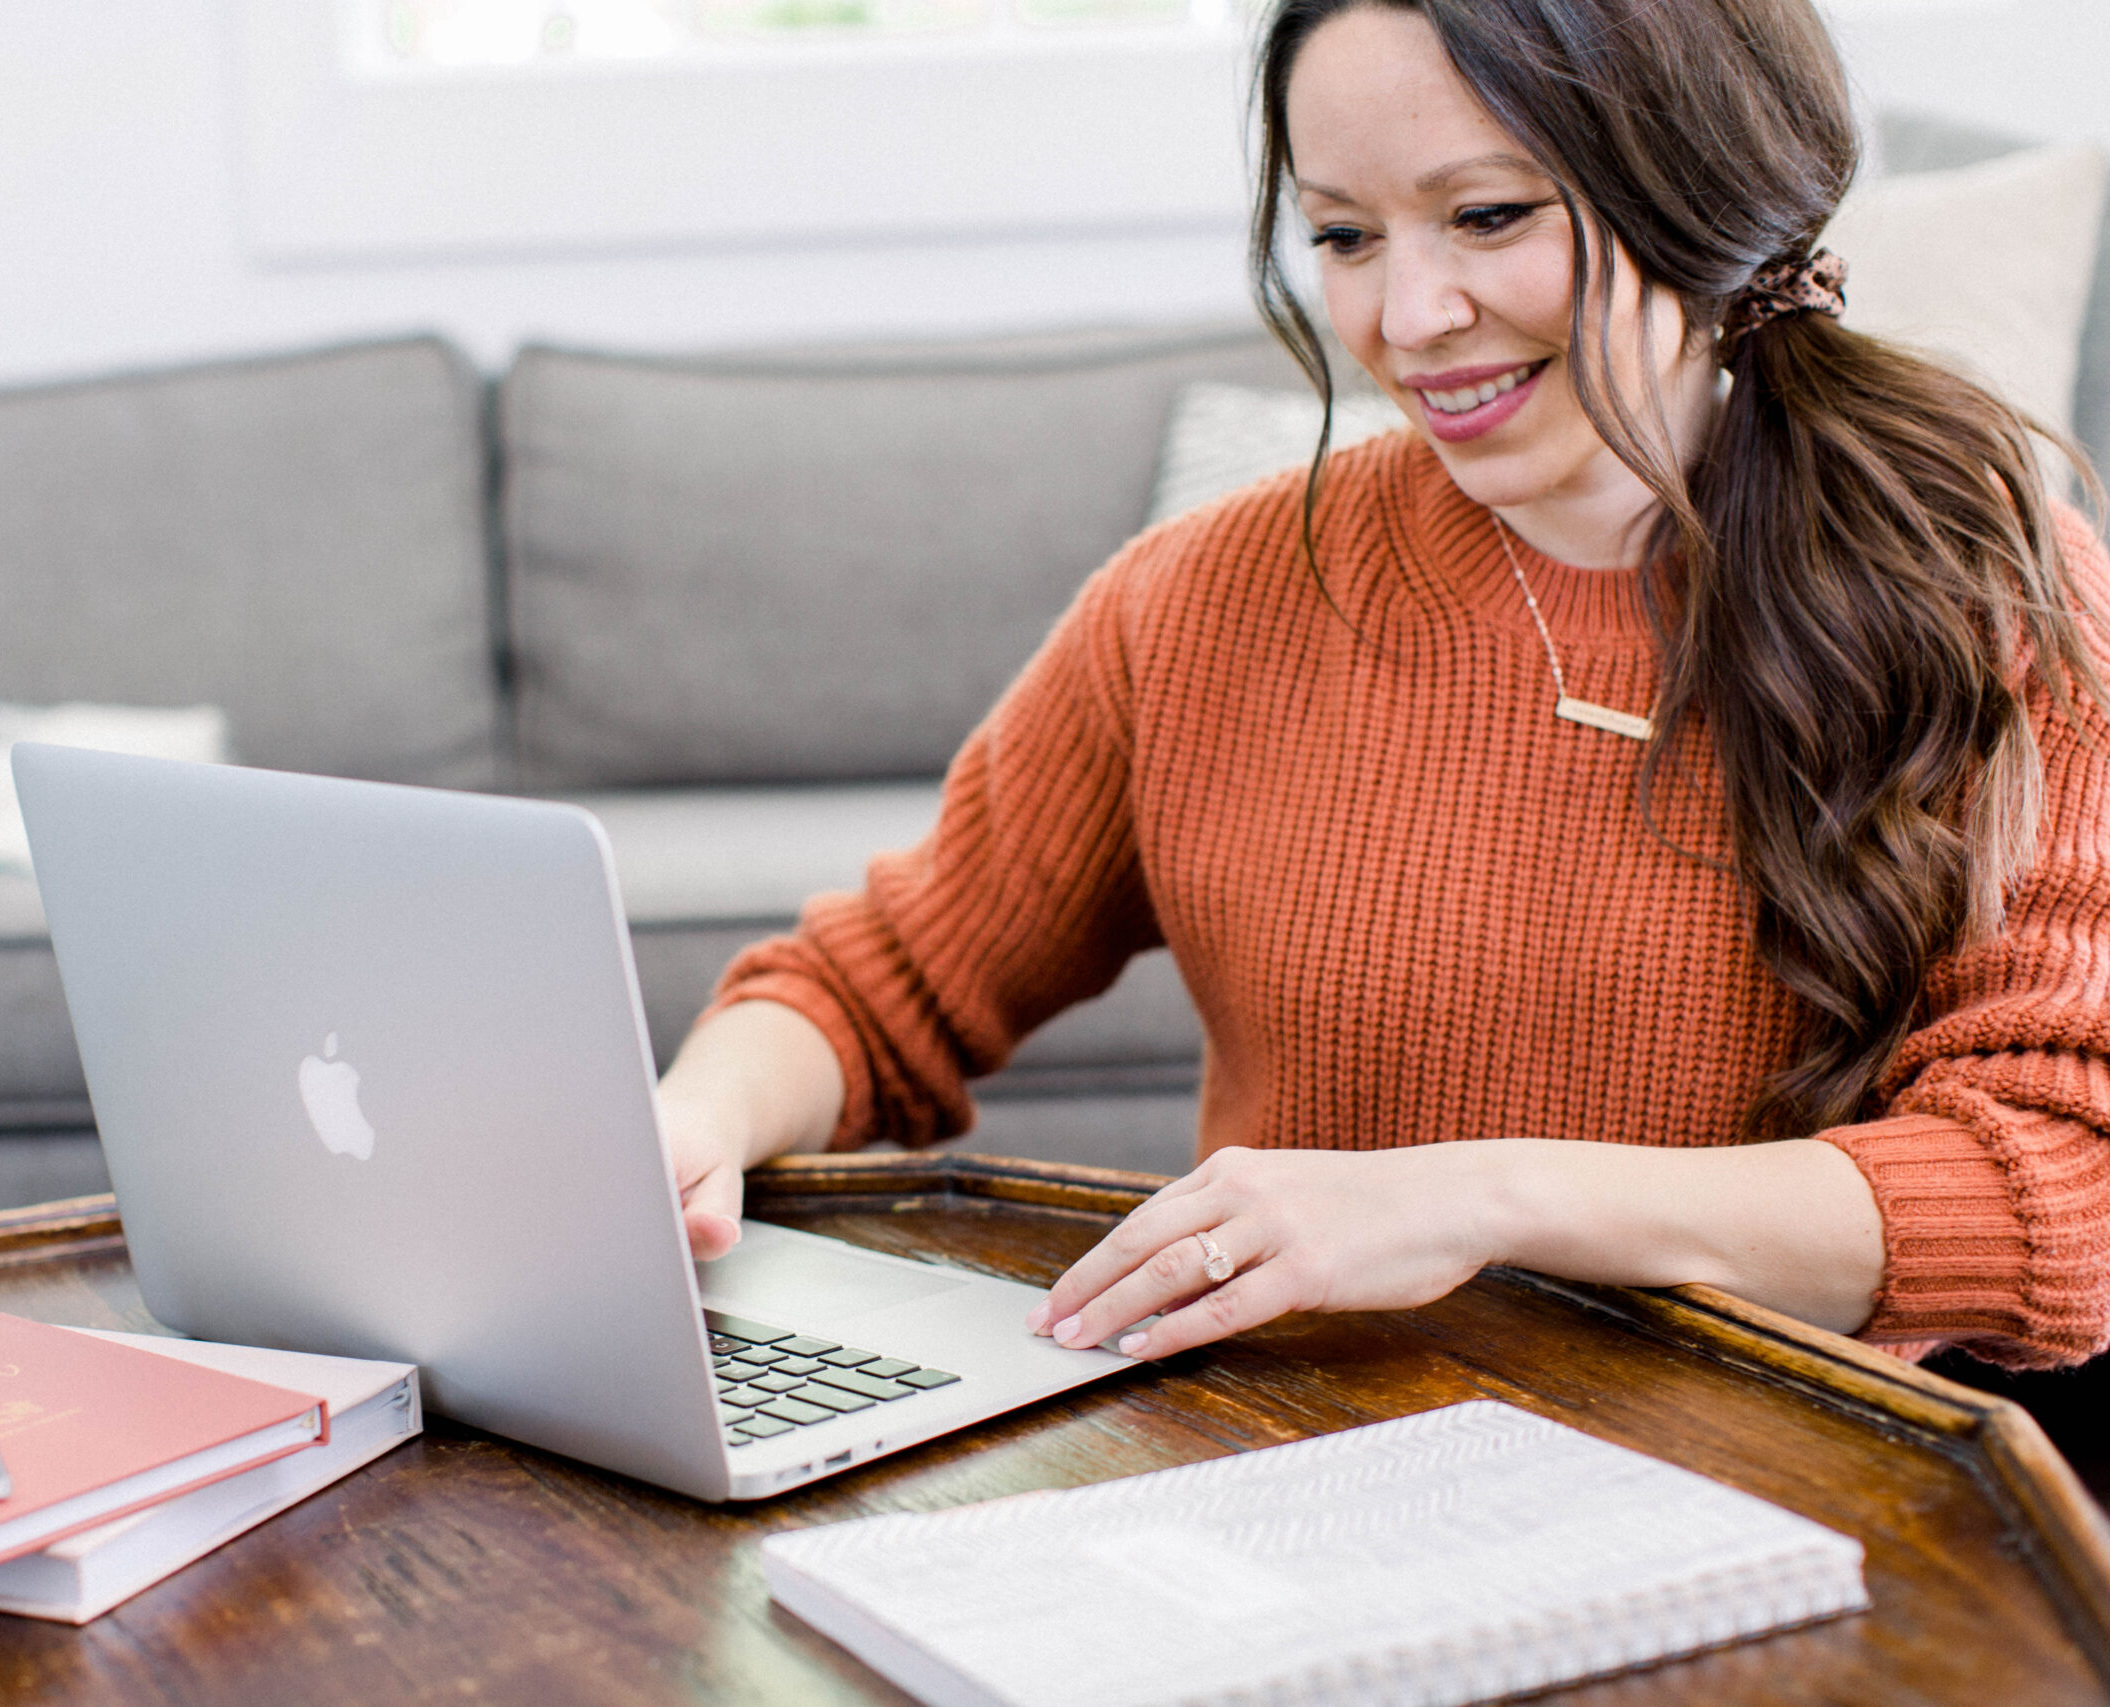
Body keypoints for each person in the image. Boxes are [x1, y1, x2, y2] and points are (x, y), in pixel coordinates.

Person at [654, 0, 2110, 1372]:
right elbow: (881, 985)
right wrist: (692, 1122)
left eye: (1487, 215)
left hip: (1777, 1515)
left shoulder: (1986, 586)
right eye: (1344, 236)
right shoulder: (1201, 599)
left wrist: (1473, 1203)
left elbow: (2065, 1184)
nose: (1406, 317)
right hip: (1276, 1471)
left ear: (1699, 185)